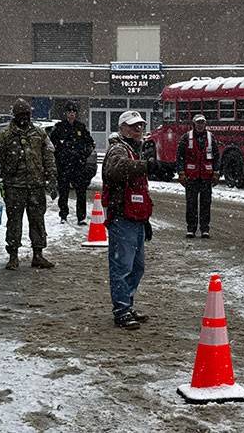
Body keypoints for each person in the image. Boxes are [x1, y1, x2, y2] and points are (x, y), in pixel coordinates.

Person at [0, 99, 58, 270]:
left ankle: (38, 254)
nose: (24, 118)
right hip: (14, 186)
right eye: (21, 115)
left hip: (36, 185)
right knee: (14, 222)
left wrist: (52, 179)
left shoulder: (39, 134)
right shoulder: (5, 135)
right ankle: (13, 256)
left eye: (27, 115)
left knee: (37, 220)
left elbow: (49, 156)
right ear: (15, 116)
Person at [102, 110, 155, 330]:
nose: (138, 129)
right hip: (122, 218)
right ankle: (121, 310)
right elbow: (114, 171)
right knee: (122, 266)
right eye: (133, 126)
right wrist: (145, 166)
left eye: (140, 126)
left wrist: (145, 219)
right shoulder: (118, 149)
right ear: (122, 128)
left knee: (136, 267)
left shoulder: (134, 150)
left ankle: (127, 304)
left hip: (135, 217)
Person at [49, 100, 96, 225]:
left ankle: (81, 217)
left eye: (73, 112)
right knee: (63, 192)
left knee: (81, 192)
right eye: (69, 111)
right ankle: (63, 215)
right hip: (64, 166)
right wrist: (59, 154)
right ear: (66, 113)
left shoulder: (80, 127)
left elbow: (90, 143)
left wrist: (83, 155)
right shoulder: (59, 128)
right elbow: (51, 144)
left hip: (78, 165)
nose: (71, 114)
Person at [175, 114, 220, 239]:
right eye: (198, 123)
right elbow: (180, 156)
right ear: (194, 124)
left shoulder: (211, 138)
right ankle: (191, 229)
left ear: (205, 124)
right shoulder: (186, 137)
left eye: (202, 123)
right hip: (191, 177)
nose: (200, 125)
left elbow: (216, 156)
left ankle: (205, 229)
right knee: (191, 204)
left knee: (206, 204)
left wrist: (216, 171)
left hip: (206, 177)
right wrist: (181, 172)